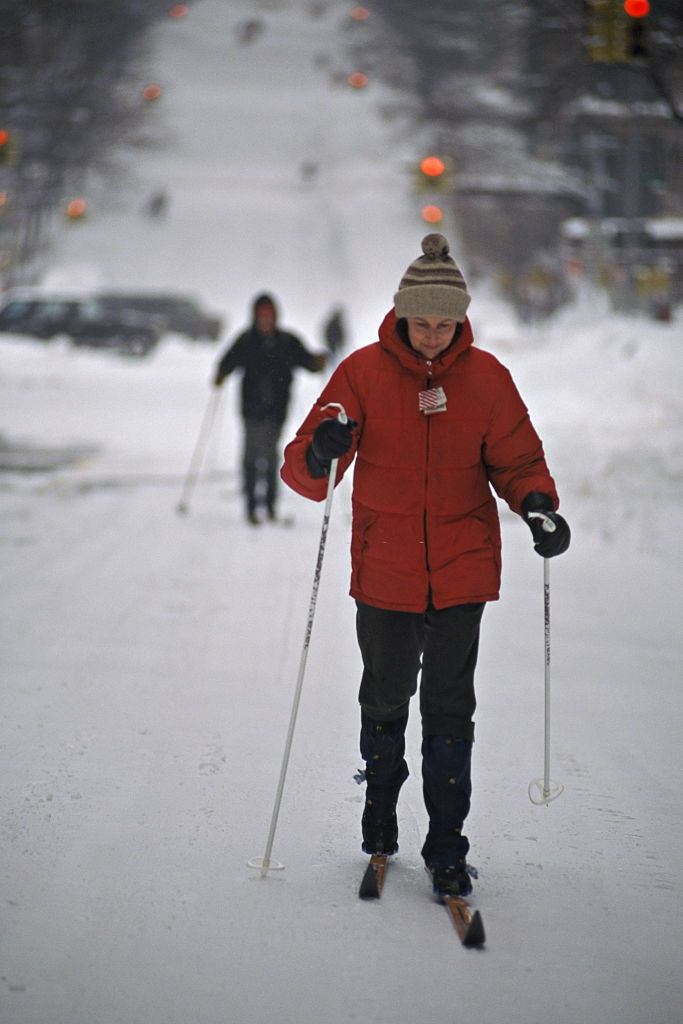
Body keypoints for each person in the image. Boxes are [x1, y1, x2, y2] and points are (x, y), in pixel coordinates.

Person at [280, 234, 570, 900]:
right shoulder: (360, 373)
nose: (434, 335)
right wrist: (322, 450)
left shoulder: (488, 378)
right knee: (384, 700)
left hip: (461, 569)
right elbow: (302, 466)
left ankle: (446, 846)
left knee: (449, 708)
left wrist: (536, 506)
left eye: (446, 322)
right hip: (385, 570)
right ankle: (378, 823)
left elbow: (518, 459)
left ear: (460, 319)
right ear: (401, 316)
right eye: (423, 322)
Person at [214, 293, 326, 525]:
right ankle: (252, 506)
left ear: (275, 316)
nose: (265, 320)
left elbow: (306, 361)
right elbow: (228, 360)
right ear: (255, 317)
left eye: (268, 315)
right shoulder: (245, 341)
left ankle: (271, 505)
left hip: (276, 411)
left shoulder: (287, 341)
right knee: (252, 455)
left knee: (271, 454)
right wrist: (221, 373)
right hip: (251, 409)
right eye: (261, 315)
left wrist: (317, 362)